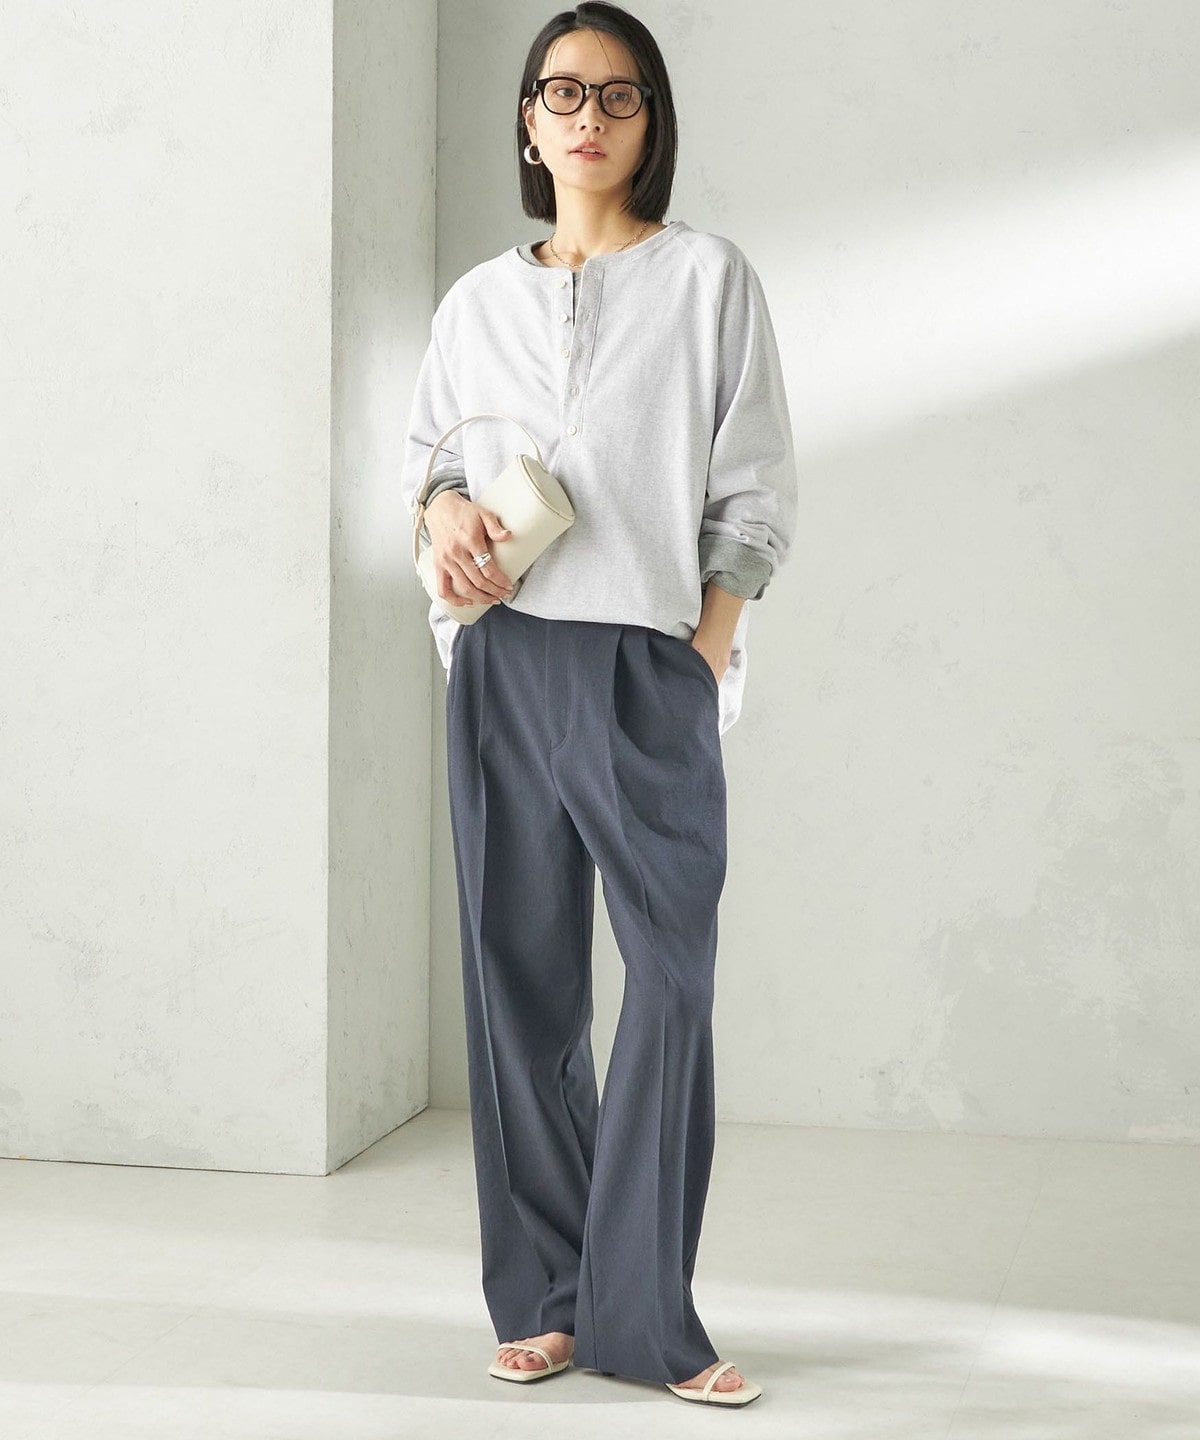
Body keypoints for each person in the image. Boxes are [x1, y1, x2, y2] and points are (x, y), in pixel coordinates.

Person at [401, 1, 796, 1409]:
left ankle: (649, 1315)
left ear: (650, 121)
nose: (588, 116)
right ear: (527, 120)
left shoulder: (709, 280)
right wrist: (443, 512)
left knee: (670, 982)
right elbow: (432, 463)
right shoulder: (474, 302)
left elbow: (754, 488)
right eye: (562, 92)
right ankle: (550, 1299)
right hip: (505, 663)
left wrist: (699, 653)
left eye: (618, 94)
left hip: (645, 664)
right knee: (521, 990)